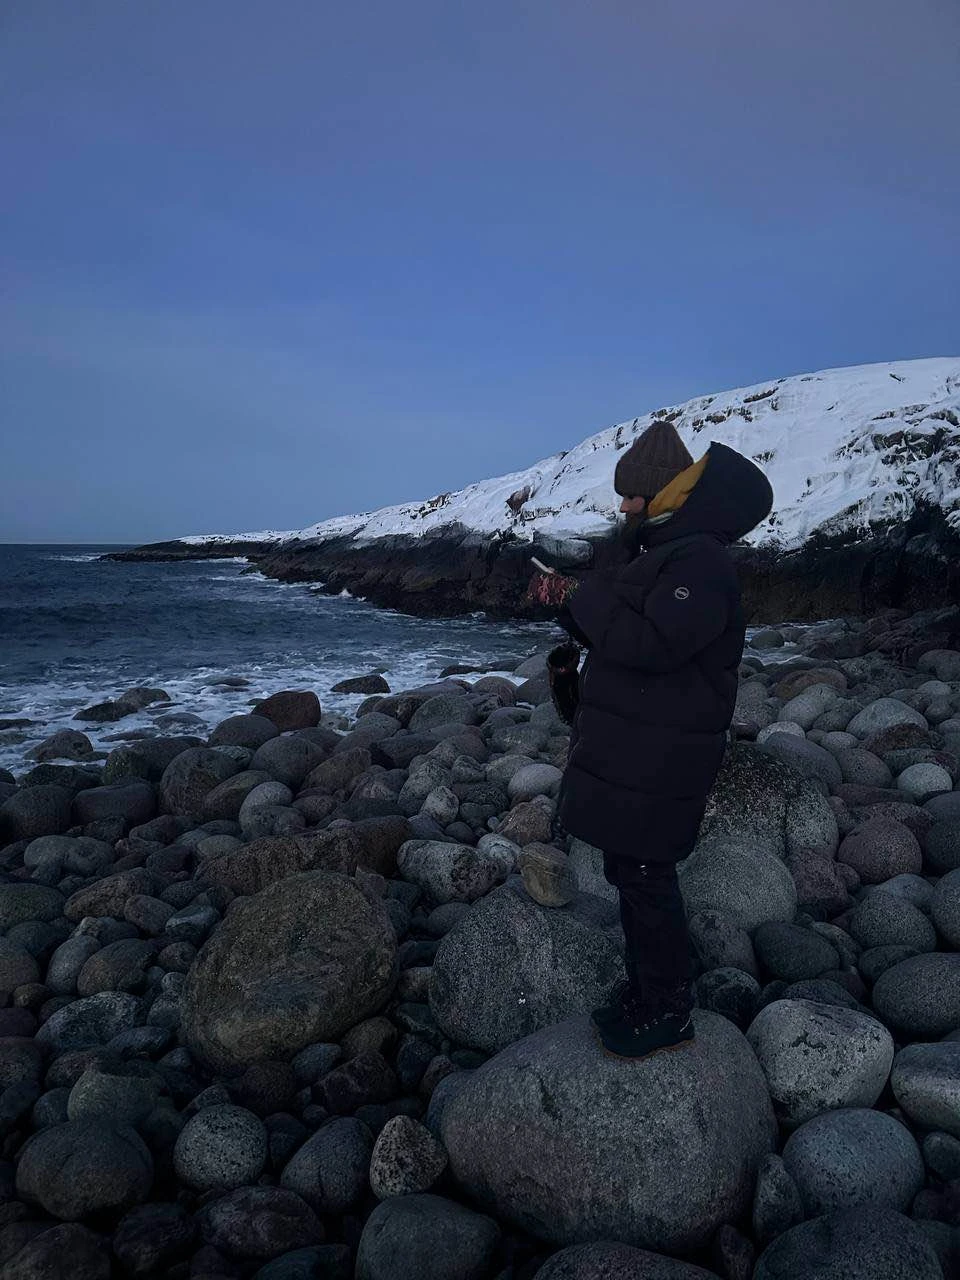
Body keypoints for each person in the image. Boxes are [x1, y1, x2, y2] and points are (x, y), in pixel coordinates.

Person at [548, 419, 774, 1061]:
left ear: (664, 492)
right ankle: (647, 991)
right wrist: (572, 604)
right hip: (642, 742)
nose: (621, 507)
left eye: (630, 495)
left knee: (647, 874)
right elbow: (626, 624)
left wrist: (586, 598)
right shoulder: (663, 550)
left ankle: (670, 1009)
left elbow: (654, 644)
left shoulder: (700, 560)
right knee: (630, 868)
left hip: (664, 749)